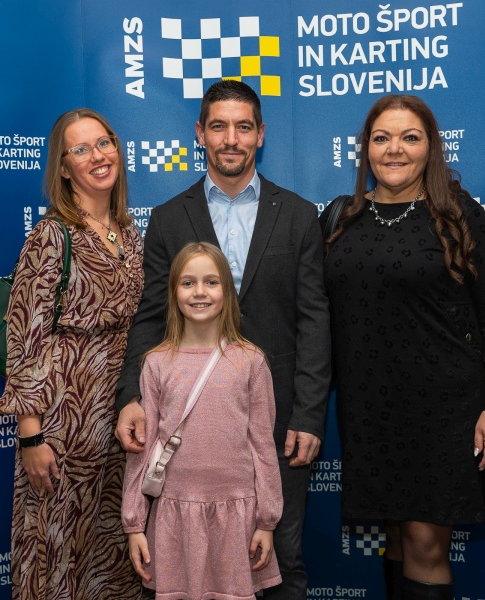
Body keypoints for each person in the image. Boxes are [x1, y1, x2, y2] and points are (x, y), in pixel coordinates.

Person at [114, 80, 331, 599]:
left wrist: (308, 415)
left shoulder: (298, 215)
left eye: (243, 127)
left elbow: (314, 320)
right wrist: (131, 396)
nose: (230, 139)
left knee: (280, 559)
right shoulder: (169, 218)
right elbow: (151, 315)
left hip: (276, 423)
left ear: (261, 134)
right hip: (189, 432)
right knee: (189, 566)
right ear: (200, 134)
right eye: (218, 127)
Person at [320, 94, 485, 600]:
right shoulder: (342, 218)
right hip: (370, 410)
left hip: (444, 412)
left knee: (426, 545)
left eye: (410, 137)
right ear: (365, 149)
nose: (395, 149)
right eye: (381, 138)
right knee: (393, 534)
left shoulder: (459, 215)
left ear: (431, 147)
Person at [0, 108, 145, 600]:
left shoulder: (129, 233)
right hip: (63, 426)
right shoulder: (52, 235)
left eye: (104, 143)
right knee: (57, 553)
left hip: (119, 422)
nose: (98, 156)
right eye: (80, 149)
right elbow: (25, 336)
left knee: (111, 557)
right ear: (63, 168)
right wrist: (30, 435)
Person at [122, 241, 283, 598]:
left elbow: (263, 448)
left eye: (211, 282)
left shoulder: (250, 362)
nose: (199, 292)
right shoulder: (156, 363)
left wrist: (266, 521)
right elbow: (142, 452)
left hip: (237, 516)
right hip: (175, 515)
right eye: (188, 282)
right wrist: (134, 524)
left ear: (227, 291)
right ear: (173, 292)